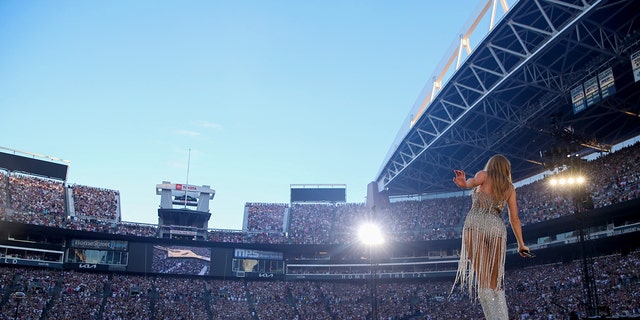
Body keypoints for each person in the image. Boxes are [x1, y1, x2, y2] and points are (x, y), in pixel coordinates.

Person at [451, 154, 530, 320]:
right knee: (495, 285)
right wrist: (521, 244)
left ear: (491, 165)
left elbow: (470, 183)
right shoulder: (509, 188)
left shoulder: (484, 175)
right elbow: (514, 218)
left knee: (484, 282)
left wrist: (463, 184)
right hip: (496, 227)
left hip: (476, 223)